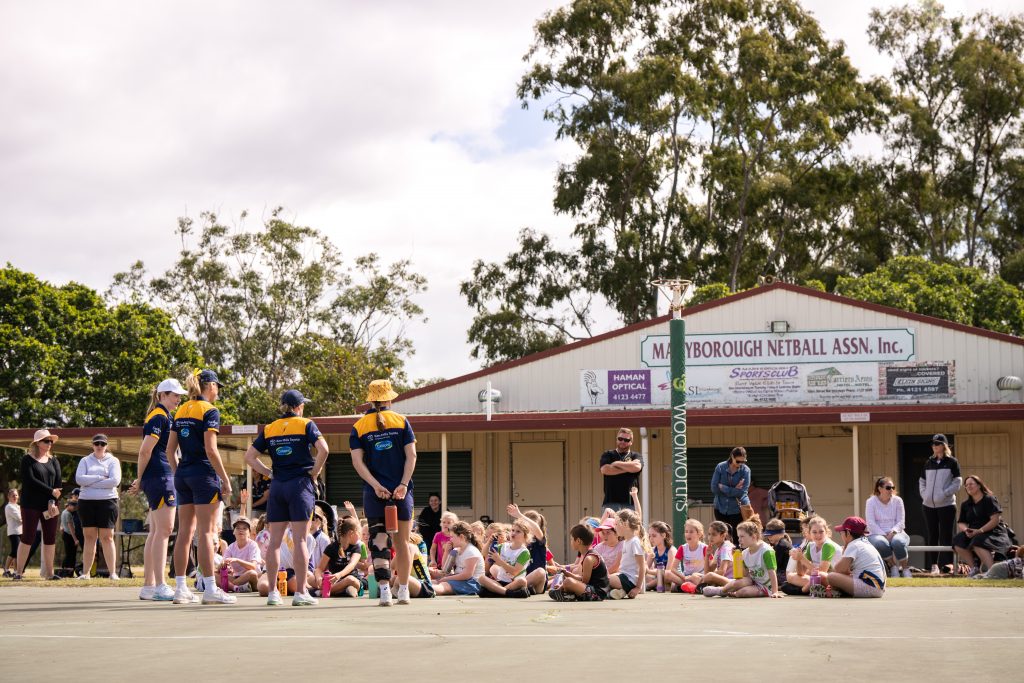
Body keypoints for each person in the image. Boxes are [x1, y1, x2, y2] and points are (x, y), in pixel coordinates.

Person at [244, 389, 329, 606]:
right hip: (300, 484)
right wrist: (314, 472)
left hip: (278, 485)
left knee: (274, 541)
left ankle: (273, 593)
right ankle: (301, 593)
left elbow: (249, 457)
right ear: (299, 406)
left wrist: (269, 473)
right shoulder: (306, 424)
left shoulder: (270, 428)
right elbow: (324, 450)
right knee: (301, 539)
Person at [167, 369, 236, 605]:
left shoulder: (182, 409)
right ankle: (210, 589)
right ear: (210, 386)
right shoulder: (210, 410)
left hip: (183, 474)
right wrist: (225, 479)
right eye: (218, 386)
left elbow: (169, 450)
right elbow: (211, 449)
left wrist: (180, 474)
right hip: (203, 474)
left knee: (184, 532)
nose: (218, 391)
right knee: (206, 533)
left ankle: (179, 588)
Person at [349, 379, 418, 606]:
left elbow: (357, 462)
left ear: (370, 398)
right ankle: (404, 590)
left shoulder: (359, 426)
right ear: (389, 398)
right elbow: (412, 456)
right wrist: (403, 484)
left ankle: (385, 590)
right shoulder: (401, 421)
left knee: (379, 541)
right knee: (403, 543)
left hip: (374, 493)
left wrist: (375, 485)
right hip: (401, 492)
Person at [130, 378, 188, 600]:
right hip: (161, 477)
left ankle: (149, 586)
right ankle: (161, 585)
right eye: (175, 395)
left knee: (156, 532)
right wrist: (140, 478)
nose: (178, 398)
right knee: (164, 531)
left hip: (158, 477)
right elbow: (145, 451)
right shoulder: (159, 416)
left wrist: (142, 478)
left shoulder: (162, 416)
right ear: (163, 395)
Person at [16, 429, 64, 580]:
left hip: (49, 505)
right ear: (37, 443)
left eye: (51, 441)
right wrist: (51, 492)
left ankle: (49, 574)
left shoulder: (54, 461)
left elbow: (58, 483)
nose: (49, 443)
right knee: (27, 537)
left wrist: (52, 500)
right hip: (30, 504)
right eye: (46, 441)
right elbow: (30, 481)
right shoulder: (27, 460)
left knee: (50, 538)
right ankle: (18, 573)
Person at [75, 434, 122, 580]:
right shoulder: (84, 460)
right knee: (89, 537)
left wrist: (89, 481)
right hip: (86, 502)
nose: (99, 446)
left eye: (102, 444)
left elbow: (114, 481)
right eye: (97, 444)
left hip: (108, 502)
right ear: (92, 445)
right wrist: (101, 477)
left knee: (107, 537)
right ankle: (86, 573)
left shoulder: (113, 460)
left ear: (106, 446)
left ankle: (112, 573)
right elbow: (79, 479)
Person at [703, 516, 782, 598]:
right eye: (738, 537)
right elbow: (745, 575)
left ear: (753, 537)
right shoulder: (744, 553)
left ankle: (731, 592)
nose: (739, 540)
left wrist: (775, 591)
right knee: (738, 583)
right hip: (752, 581)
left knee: (743, 592)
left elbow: (772, 572)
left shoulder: (766, 551)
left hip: (765, 586)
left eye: (742, 536)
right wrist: (738, 560)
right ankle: (721, 591)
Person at [919, 433, 961, 573]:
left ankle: (947, 565)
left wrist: (944, 494)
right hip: (928, 506)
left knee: (946, 535)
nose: (934, 446)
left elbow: (957, 482)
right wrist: (925, 495)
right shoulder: (928, 462)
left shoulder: (952, 462)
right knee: (932, 535)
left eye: (937, 443)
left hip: (947, 505)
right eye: (933, 444)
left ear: (943, 446)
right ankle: (934, 566)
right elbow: (922, 481)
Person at [952, 475, 1012, 574]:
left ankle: (993, 571)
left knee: (978, 540)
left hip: (993, 531)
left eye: (971, 484)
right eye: (966, 485)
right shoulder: (965, 504)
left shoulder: (989, 499)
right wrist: (966, 530)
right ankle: (974, 569)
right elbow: (961, 522)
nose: (968, 487)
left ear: (979, 485)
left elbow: (995, 520)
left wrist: (979, 531)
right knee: (957, 540)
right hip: (974, 531)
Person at [822, 517, 886, 598]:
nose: (841, 534)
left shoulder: (853, 545)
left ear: (848, 533)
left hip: (870, 588)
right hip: (877, 588)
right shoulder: (864, 543)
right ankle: (838, 591)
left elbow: (838, 569)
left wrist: (844, 550)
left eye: (841, 532)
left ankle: (835, 592)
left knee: (831, 576)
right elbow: (845, 571)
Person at [865, 476, 912, 579]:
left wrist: (892, 533)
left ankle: (905, 568)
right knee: (880, 542)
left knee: (898, 542)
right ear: (879, 488)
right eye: (888, 487)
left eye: (892, 487)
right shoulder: (871, 501)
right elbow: (871, 523)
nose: (891, 490)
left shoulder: (898, 500)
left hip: (897, 532)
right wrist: (884, 535)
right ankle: (893, 567)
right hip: (876, 534)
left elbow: (901, 521)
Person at [549, 524, 610, 602]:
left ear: (578, 541)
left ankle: (567, 594)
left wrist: (564, 585)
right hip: (591, 589)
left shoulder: (589, 558)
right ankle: (567, 594)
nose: (570, 541)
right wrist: (566, 573)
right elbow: (582, 579)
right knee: (567, 581)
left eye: (571, 539)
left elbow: (584, 582)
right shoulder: (586, 555)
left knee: (568, 581)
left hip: (597, 594)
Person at [787, 515, 841, 594]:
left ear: (826, 532)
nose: (818, 535)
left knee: (788, 586)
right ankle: (810, 589)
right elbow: (801, 573)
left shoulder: (828, 545)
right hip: (817, 579)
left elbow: (822, 572)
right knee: (790, 576)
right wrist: (798, 558)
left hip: (832, 580)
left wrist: (802, 558)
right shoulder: (811, 546)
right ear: (809, 533)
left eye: (821, 532)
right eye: (814, 532)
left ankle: (803, 590)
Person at [478, 518, 532, 598]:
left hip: (514, 583)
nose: (514, 533)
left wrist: (500, 561)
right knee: (481, 578)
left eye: (518, 531)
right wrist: (489, 542)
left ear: (525, 536)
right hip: (500, 581)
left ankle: (496, 592)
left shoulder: (524, 552)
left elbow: (514, 572)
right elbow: (484, 553)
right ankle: (506, 593)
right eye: (512, 530)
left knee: (522, 581)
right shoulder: (504, 546)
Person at [711, 446, 751, 545]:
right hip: (720, 508)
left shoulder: (745, 471)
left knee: (738, 538)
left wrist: (724, 488)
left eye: (743, 462)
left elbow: (742, 492)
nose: (740, 464)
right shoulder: (720, 467)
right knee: (723, 538)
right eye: (738, 461)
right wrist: (734, 490)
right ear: (732, 457)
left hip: (738, 509)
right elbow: (714, 488)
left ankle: (737, 559)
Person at [317, 517, 365, 598]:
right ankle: (342, 591)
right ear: (351, 533)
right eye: (358, 532)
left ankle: (325, 591)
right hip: (335, 581)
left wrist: (339, 575)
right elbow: (319, 569)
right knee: (310, 578)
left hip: (352, 579)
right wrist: (318, 578)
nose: (360, 536)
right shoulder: (331, 547)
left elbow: (351, 565)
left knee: (350, 580)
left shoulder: (356, 547)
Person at [433, 521, 484, 596]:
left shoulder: (471, 551)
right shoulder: (456, 550)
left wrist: (447, 579)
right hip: (461, 579)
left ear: (461, 537)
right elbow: (445, 569)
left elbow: (467, 575)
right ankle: (419, 587)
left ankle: (424, 590)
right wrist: (447, 552)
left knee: (444, 585)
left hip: (472, 583)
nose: (450, 540)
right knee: (435, 582)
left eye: (452, 537)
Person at [507, 503, 549, 594]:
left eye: (531, 525)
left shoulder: (538, 541)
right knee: (494, 568)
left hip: (536, 583)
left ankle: (504, 590)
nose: (529, 528)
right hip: (515, 579)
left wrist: (519, 515)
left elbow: (536, 529)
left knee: (541, 572)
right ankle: (515, 589)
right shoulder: (515, 542)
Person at [599, 428, 643, 511]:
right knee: (610, 524)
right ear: (617, 440)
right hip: (611, 502)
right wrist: (629, 468)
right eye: (620, 439)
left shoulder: (635, 455)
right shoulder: (608, 454)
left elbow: (637, 467)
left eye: (626, 440)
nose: (623, 441)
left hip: (631, 503)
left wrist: (616, 464)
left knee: (631, 524)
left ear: (631, 442)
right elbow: (605, 470)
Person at [609, 509, 645, 599]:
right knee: (605, 577)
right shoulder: (626, 542)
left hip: (630, 580)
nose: (614, 527)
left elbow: (642, 566)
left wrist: (638, 588)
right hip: (623, 576)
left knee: (604, 579)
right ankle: (621, 592)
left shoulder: (634, 542)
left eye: (616, 524)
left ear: (625, 524)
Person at [222, 517, 261, 592]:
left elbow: (253, 566)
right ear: (233, 532)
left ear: (249, 532)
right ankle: (236, 587)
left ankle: (230, 586)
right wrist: (223, 565)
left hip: (251, 577)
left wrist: (237, 560)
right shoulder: (231, 547)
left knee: (252, 573)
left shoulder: (253, 545)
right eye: (238, 528)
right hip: (236, 577)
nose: (241, 530)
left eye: (244, 528)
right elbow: (223, 565)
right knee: (215, 574)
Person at [668, 519, 707, 591]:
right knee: (667, 574)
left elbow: (711, 568)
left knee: (694, 577)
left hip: (699, 576)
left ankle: (685, 586)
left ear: (699, 534)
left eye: (691, 532)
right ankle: (691, 587)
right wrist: (684, 577)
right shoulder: (682, 548)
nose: (688, 534)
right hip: (685, 576)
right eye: (686, 531)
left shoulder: (704, 548)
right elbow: (673, 569)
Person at [699, 520, 735, 589]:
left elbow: (722, 572)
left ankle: (700, 588)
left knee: (708, 576)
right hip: (723, 580)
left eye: (714, 534)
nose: (710, 537)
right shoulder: (719, 549)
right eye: (709, 534)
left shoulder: (726, 548)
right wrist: (707, 556)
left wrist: (706, 576)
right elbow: (708, 571)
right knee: (695, 575)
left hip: (731, 580)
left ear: (723, 535)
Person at [763, 518, 794, 595]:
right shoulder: (780, 544)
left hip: (784, 575)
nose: (769, 537)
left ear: (780, 533)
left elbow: (774, 566)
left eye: (771, 535)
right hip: (783, 573)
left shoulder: (782, 545)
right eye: (768, 535)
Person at [644, 521, 675, 592]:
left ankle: (648, 586)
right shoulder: (652, 551)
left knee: (664, 577)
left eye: (654, 536)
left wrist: (650, 572)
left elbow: (667, 573)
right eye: (650, 536)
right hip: (658, 578)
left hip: (671, 580)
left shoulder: (671, 551)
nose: (651, 538)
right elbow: (646, 569)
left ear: (663, 535)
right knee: (642, 576)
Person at [4, 489, 22, 577]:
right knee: (15, 551)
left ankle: (15, 571)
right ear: (9, 497)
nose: (15, 497)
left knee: (17, 552)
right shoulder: (9, 507)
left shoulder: (17, 506)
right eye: (13, 495)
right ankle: (6, 570)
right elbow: (20, 518)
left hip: (19, 531)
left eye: (16, 495)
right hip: (13, 532)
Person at [60, 499, 79, 574]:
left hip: (65, 534)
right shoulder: (68, 514)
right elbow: (71, 527)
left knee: (68, 553)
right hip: (69, 535)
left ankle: (65, 570)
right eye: (74, 507)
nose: (75, 508)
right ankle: (69, 571)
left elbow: (61, 526)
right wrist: (75, 539)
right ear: (70, 505)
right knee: (71, 554)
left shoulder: (63, 512)